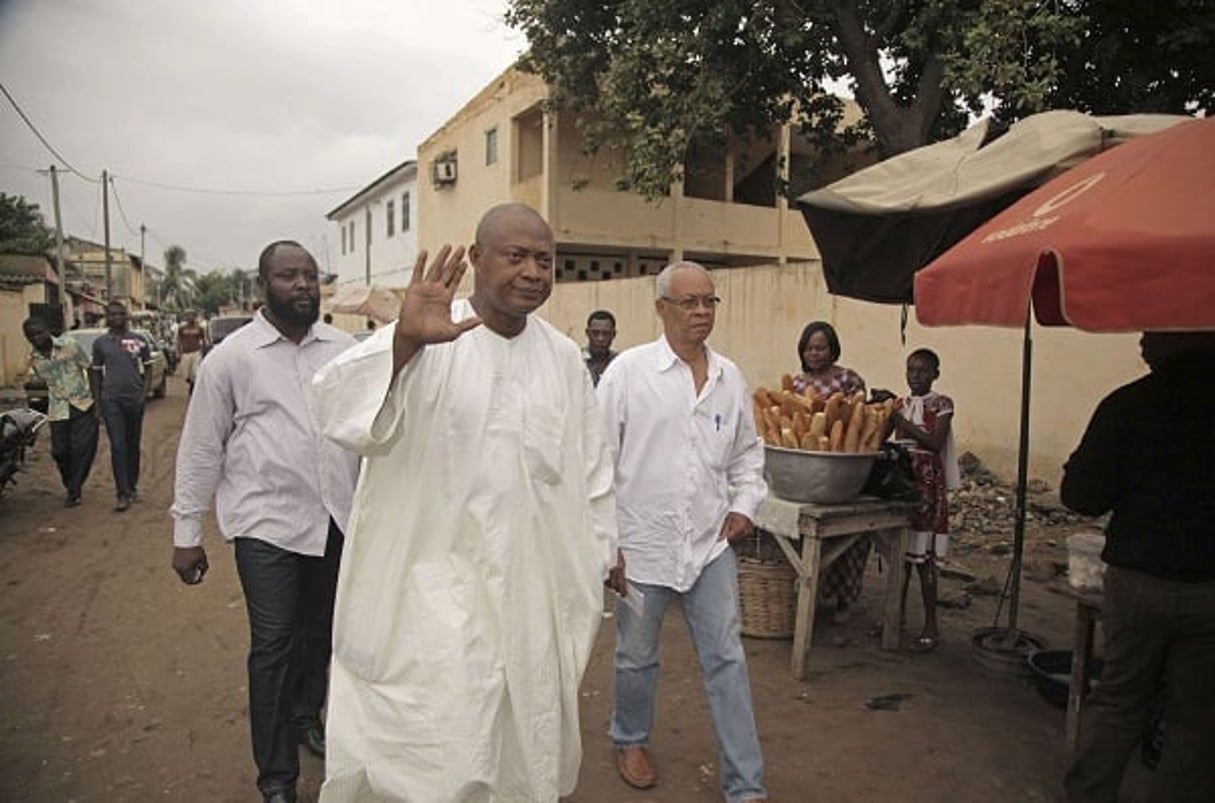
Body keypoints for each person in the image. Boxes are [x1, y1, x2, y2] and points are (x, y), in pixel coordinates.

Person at [310, 203, 623, 802]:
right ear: (476, 259)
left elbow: (590, 469)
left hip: (532, 595)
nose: (533, 271)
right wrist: (402, 343)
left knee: (519, 745)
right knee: (439, 749)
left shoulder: (561, 357)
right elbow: (341, 410)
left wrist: (602, 552)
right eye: (516, 256)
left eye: (544, 260)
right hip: (431, 593)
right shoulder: (429, 333)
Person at [170, 241, 359, 803]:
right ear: (263, 286)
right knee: (274, 644)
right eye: (288, 276)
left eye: (309, 275)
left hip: (334, 520)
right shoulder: (232, 358)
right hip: (265, 525)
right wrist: (187, 533)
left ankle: (306, 716)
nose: (302, 284)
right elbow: (202, 448)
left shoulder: (344, 350)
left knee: (321, 636)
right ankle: (276, 777)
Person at [598, 261, 770, 803]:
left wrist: (744, 506)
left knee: (727, 658)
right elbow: (596, 460)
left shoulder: (729, 378)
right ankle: (630, 738)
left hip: (709, 543)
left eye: (709, 302)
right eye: (688, 302)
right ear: (661, 308)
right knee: (636, 656)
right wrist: (608, 543)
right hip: (641, 544)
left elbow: (747, 452)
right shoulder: (628, 373)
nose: (701, 312)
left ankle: (746, 785)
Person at [1061, 331, 1215, 803]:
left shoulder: (1129, 405)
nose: (1143, 338)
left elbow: (1082, 496)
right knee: (1197, 719)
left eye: (1154, 327)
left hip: (1139, 579)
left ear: (1188, 335)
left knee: (1119, 700)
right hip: (1210, 588)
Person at [792, 320, 869, 623]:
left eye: (821, 347)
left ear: (832, 349)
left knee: (851, 540)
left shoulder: (849, 379)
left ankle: (844, 601)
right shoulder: (797, 384)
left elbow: (860, 420)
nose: (815, 353)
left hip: (844, 468)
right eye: (809, 348)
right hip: (806, 471)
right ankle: (815, 594)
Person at [886, 348, 960, 652]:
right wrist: (882, 412)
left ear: (935, 374)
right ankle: (895, 618)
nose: (915, 376)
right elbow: (883, 435)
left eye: (922, 371)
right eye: (911, 370)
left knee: (924, 558)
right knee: (901, 555)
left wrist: (899, 420)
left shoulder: (942, 404)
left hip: (927, 481)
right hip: (903, 480)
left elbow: (934, 441)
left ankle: (931, 625)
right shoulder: (899, 404)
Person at [22, 317, 98, 507]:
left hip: (82, 404)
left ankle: (74, 491)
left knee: (83, 450)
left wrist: (98, 401)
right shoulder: (34, 359)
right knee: (59, 451)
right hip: (57, 409)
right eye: (31, 335)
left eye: (39, 332)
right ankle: (72, 484)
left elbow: (91, 370)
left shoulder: (70, 345)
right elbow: (41, 382)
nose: (36, 338)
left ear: (48, 331)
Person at [91, 300, 152, 512]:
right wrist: (98, 404)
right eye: (112, 314)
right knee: (118, 446)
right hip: (111, 400)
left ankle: (132, 487)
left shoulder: (139, 340)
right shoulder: (100, 344)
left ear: (126, 316)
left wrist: (143, 395)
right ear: (107, 317)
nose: (117, 318)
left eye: (120, 314)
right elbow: (96, 374)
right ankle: (122, 493)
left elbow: (148, 369)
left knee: (133, 445)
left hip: (134, 400)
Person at [175, 310, 208, 395]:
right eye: (188, 316)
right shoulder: (182, 328)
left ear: (195, 317)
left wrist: (205, 351)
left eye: (192, 315)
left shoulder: (199, 328)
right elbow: (178, 340)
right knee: (186, 374)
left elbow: (204, 340)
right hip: (185, 353)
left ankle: (194, 387)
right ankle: (191, 383)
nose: (190, 317)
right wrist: (178, 352)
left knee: (195, 372)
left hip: (196, 352)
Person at [584, 308, 618, 386]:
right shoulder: (577, 361)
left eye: (606, 333)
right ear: (587, 333)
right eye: (595, 333)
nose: (600, 338)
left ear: (613, 335)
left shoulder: (619, 362)